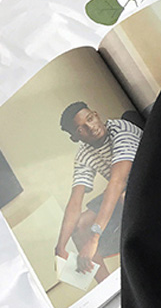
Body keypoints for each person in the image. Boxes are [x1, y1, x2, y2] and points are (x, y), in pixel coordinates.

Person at [54, 101, 142, 281]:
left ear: (96, 115)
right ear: (74, 138)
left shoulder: (121, 130)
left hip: (149, 178)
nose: (91, 127)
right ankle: (107, 286)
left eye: (90, 119)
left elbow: (117, 182)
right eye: (81, 129)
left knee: (124, 197)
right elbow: (75, 200)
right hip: (122, 189)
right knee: (79, 225)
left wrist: (94, 238)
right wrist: (60, 247)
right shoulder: (84, 154)